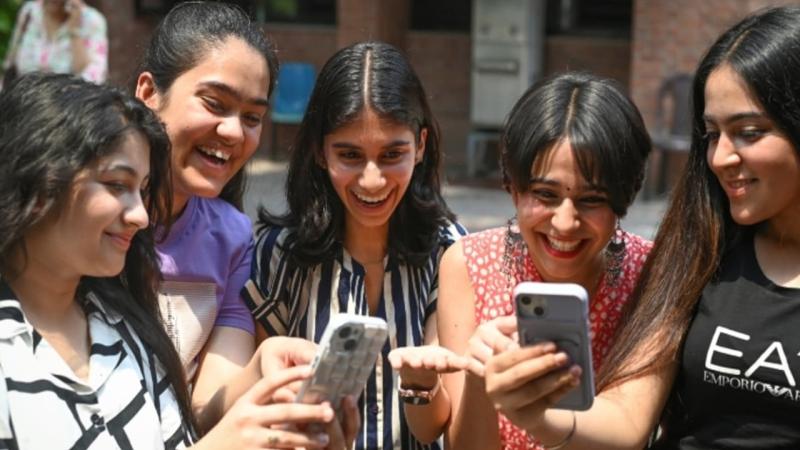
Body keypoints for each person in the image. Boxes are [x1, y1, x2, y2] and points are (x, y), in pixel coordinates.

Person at [480, 6, 800, 450]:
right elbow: (628, 418)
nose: (721, 157)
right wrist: (538, 413)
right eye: (712, 134)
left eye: (749, 132)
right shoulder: (698, 252)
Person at [133, 2, 358, 443]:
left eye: (252, 117)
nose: (234, 132)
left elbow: (203, 410)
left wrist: (264, 368)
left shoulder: (232, 236)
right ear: (148, 92)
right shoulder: (88, 218)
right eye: (214, 103)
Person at [399, 71, 651, 450]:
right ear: (513, 189)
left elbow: (628, 430)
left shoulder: (650, 274)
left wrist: (535, 412)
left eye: (591, 200)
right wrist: (481, 377)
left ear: (623, 199)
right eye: (546, 195)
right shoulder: (468, 264)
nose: (565, 222)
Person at [243, 41, 467, 450]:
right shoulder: (279, 253)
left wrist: (420, 382)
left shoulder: (449, 251)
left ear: (420, 145)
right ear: (319, 151)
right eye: (349, 155)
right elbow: (261, 409)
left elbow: (434, 428)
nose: (372, 180)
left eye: (392, 154)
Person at [2, 0, 107, 86]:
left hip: (64, 102)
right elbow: (10, 61)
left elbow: (92, 81)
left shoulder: (92, 20)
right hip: (23, 99)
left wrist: (74, 31)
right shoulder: (29, 12)